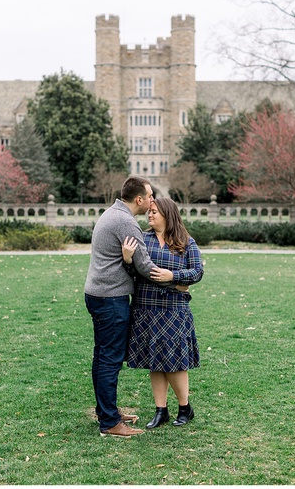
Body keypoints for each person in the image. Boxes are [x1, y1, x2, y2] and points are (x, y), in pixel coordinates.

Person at [84, 176, 178, 438]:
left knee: (103, 356)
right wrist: (176, 279)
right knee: (109, 359)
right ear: (139, 199)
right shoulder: (125, 222)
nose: (151, 202)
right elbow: (144, 266)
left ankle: (107, 412)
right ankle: (110, 423)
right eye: (149, 197)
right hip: (110, 298)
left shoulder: (113, 213)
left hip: (98, 293)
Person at [122, 197, 204, 429]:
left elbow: (197, 272)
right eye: (149, 212)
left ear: (168, 215)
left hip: (174, 310)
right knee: (154, 361)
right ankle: (161, 411)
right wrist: (128, 260)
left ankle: (185, 407)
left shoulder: (186, 242)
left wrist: (174, 277)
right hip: (145, 308)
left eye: (155, 212)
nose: (150, 215)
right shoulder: (143, 239)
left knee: (175, 361)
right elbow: (135, 274)